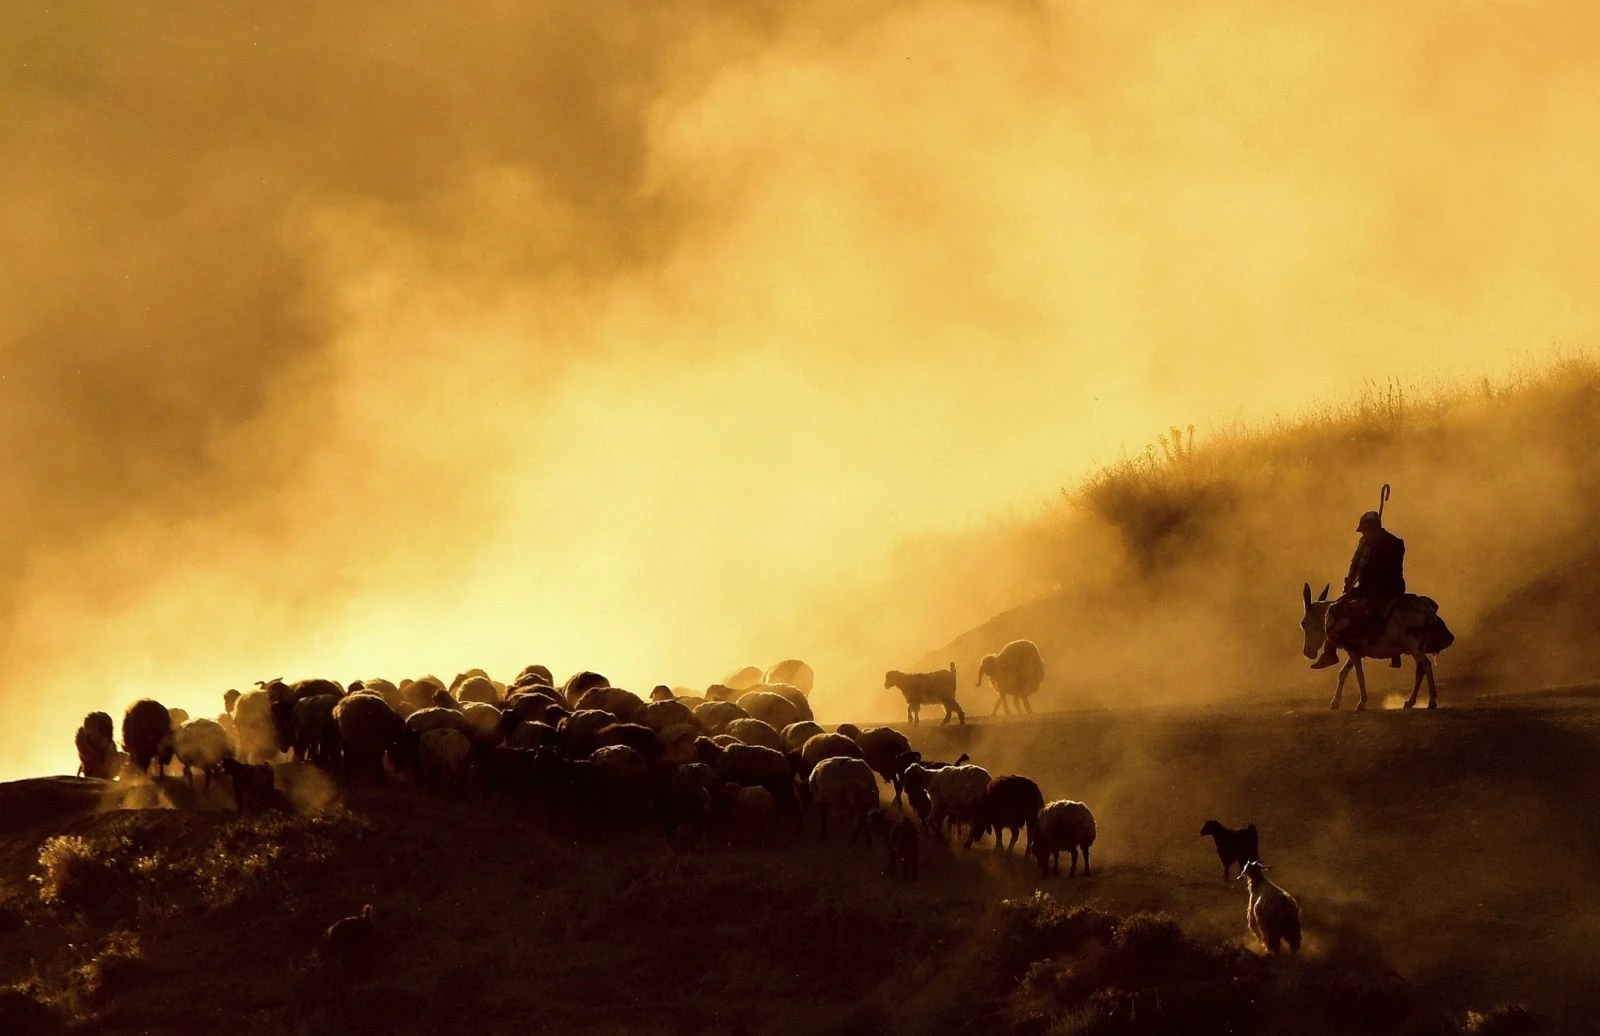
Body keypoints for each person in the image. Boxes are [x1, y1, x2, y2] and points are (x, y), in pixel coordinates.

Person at [1310, 510, 1406, 669]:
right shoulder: (1386, 542)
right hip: (1389, 588)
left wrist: (1350, 587)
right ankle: (1395, 655)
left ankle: (1330, 652)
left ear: (1372, 528)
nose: (1364, 533)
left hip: (1376, 590)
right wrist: (1349, 584)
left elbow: (1363, 569)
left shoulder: (1382, 544)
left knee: (1335, 610)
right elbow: (1355, 567)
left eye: (1366, 530)